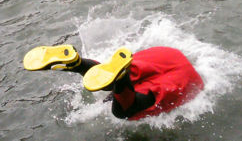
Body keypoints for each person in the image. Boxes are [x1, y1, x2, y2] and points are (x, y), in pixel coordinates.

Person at [23, 44, 204, 120]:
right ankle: (119, 77)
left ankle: (77, 63)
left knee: (121, 106)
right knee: (122, 102)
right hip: (176, 68)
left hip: (169, 60)